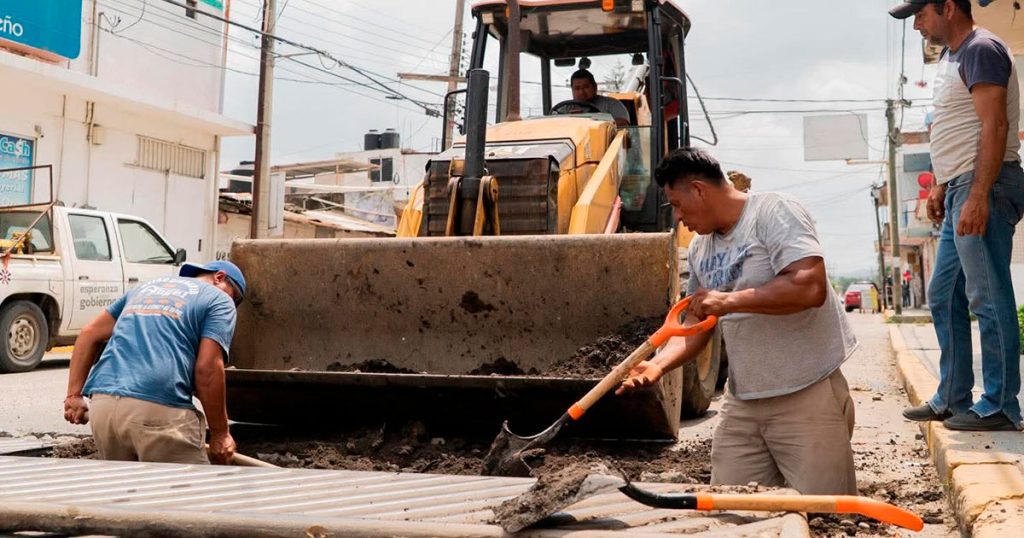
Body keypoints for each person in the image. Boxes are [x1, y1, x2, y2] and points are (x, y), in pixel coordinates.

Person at [617, 147, 859, 495]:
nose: (679, 218)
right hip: (743, 403)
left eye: (679, 205)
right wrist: (657, 367)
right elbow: (695, 323)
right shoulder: (701, 249)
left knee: (826, 513)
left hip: (805, 393)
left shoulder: (773, 211)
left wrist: (728, 300)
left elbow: (809, 286)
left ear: (699, 189)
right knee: (731, 512)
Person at [891, 0, 1024, 431]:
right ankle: (952, 396)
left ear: (948, 7)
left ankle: (1003, 404)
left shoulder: (982, 48)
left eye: (920, 14)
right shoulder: (953, 56)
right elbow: (960, 128)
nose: (916, 26)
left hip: (984, 185)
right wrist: (941, 187)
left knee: (987, 294)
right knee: (945, 293)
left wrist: (978, 195)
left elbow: (995, 127)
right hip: (960, 188)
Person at [63, 261, 246, 463]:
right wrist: (221, 433)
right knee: (190, 492)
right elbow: (208, 370)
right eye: (234, 298)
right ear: (219, 277)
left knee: (127, 491)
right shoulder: (219, 299)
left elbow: (89, 334)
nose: (232, 304)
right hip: (157, 411)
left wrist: (73, 396)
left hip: (103, 408)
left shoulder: (144, 289)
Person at [564, 69, 631, 127]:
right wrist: (570, 121)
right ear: (572, 89)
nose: (582, 92)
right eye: (577, 88)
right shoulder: (563, 109)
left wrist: (591, 121)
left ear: (595, 87)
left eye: (586, 87)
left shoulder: (612, 104)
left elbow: (623, 125)